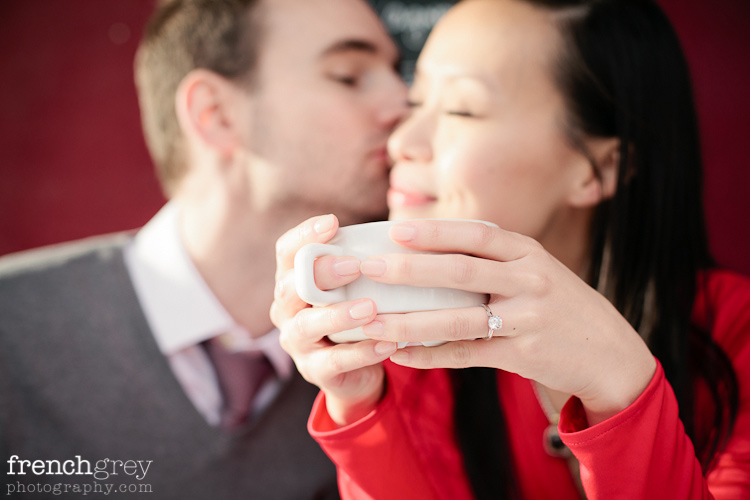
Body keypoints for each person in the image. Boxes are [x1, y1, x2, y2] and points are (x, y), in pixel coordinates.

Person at [272, 0, 750, 498]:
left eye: (460, 108)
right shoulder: (410, 339)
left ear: (600, 169)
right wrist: (361, 404)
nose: (402, 141)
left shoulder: (737, 335)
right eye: (416, 104)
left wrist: (621, 387)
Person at [0, 0, 406, 497]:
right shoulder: (10, 330)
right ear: (214, 114)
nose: (404, 105)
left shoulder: (399, 352)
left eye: (397, 71)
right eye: (348, 76)